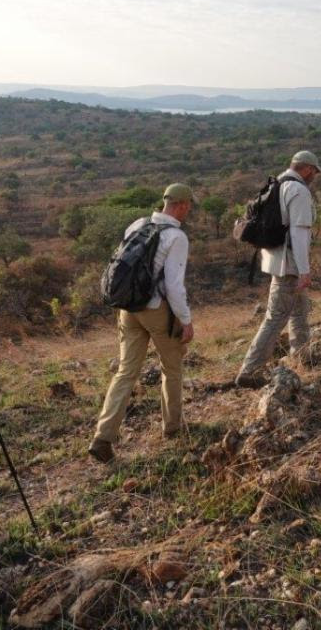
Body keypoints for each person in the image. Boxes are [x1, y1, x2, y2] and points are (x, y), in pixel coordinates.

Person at [89, 184, 196, 463]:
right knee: (171, 367)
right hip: (156, 310)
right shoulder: (176, 236)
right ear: (182, 205)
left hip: (128, 308)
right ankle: (173, 428)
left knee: (125, 371)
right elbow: (173, 285)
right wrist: (186, 321)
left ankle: (103, 436)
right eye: (189, 206)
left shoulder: (137, 224)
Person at [234, 151, 321, 388]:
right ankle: (250, 370)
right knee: (276, 317)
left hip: (274, 258)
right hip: (289, 264)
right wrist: (304, 270)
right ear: (306, 169)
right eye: (313, 171)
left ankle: (304, 357)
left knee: (300, 310)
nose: (314, 176)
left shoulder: (276, 184)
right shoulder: (299, 190)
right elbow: (299, 233)